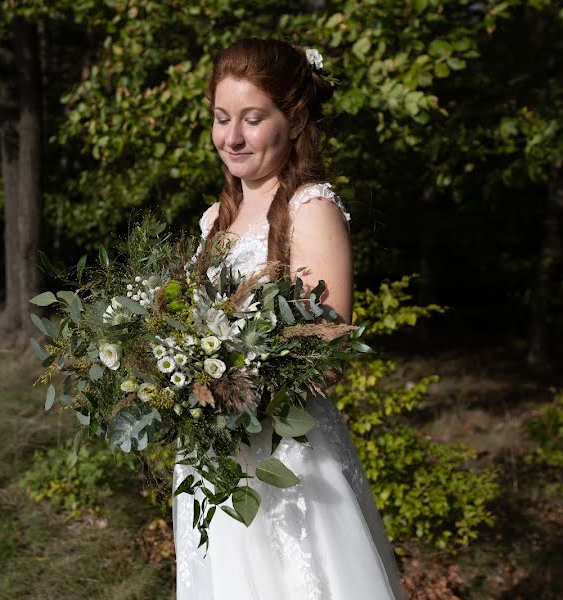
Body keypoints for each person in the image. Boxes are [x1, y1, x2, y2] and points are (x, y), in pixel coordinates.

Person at [172, 38, 408, 599]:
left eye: (253, 119)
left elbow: (327, 353)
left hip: (288, 456)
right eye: (221, 118)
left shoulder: (312, 208)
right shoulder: (214, 220)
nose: (232, 137)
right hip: (215, 462)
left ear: (293, 119)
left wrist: (235, 388)